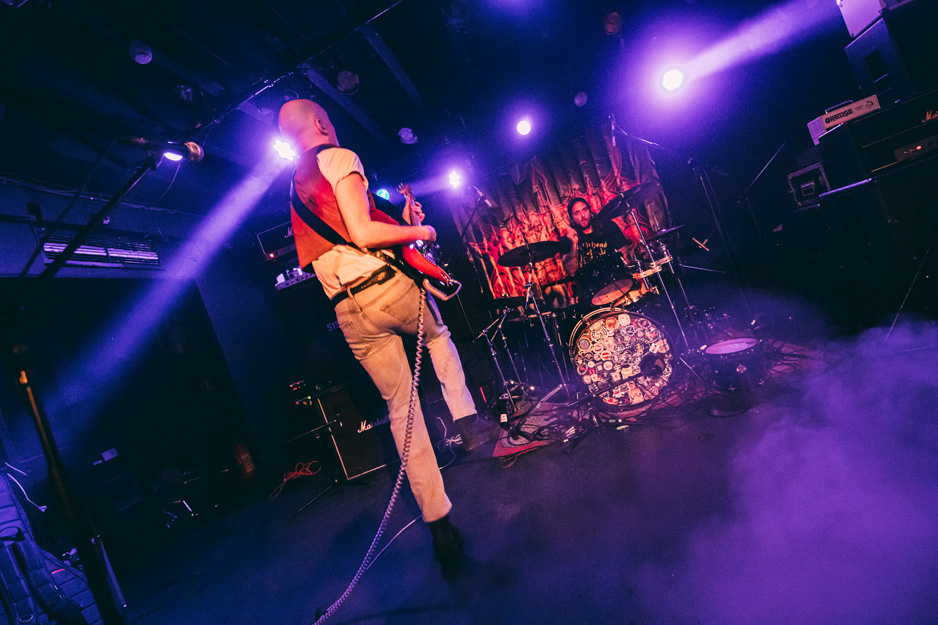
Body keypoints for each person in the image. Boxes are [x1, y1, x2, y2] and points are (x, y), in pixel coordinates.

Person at [278, 99, 497, 575]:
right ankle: (468, 421)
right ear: (320, 122)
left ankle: (439, 525)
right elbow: (362, 232)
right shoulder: (338, 157)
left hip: (348, 311)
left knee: (402, 410)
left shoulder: (295, 188)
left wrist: (401, 220)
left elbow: (338, 237)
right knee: (438, 337)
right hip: (387, 289)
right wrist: (425, 230)